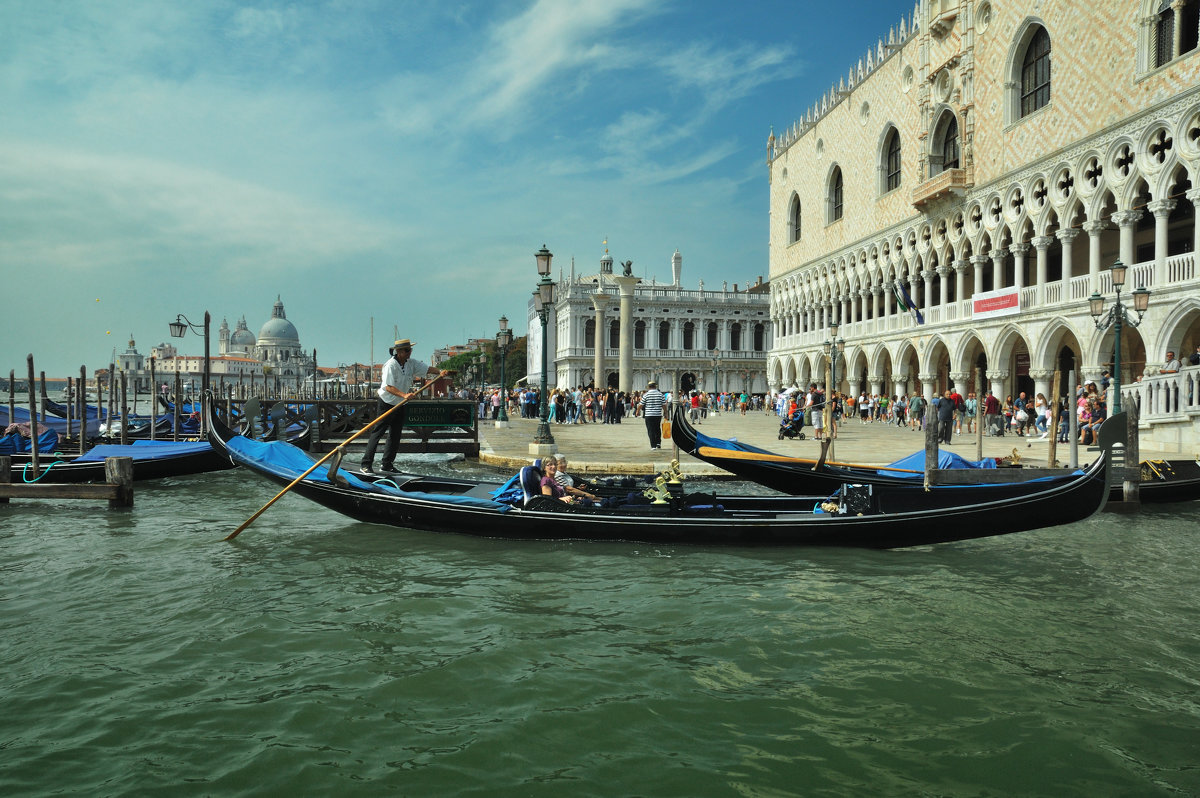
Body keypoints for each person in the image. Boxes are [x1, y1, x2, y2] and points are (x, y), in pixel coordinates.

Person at [360, 339, 442, 475]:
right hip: (386, 402)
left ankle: (386, 464)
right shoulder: (390, 365)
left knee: (395, 435)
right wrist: (404, 395)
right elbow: (388, 387)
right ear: (399, 352)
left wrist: (440, 372)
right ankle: (365, 464)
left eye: (410, 350)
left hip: (400, 403)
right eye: (407, 350)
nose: (410, 352)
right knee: (378, 433)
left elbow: (427, 369)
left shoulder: (411, 363)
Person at [638, 381, 665, 450]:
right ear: (655, 386)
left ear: (649, 387)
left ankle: (653, 445)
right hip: (658, 414)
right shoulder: (660, 394)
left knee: (651, 430)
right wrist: (666, 413)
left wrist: (638, 411)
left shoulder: (646, 395)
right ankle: (658, 443)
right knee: (657, 429)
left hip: (649, 414)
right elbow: (664, 405)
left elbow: (641, 404)